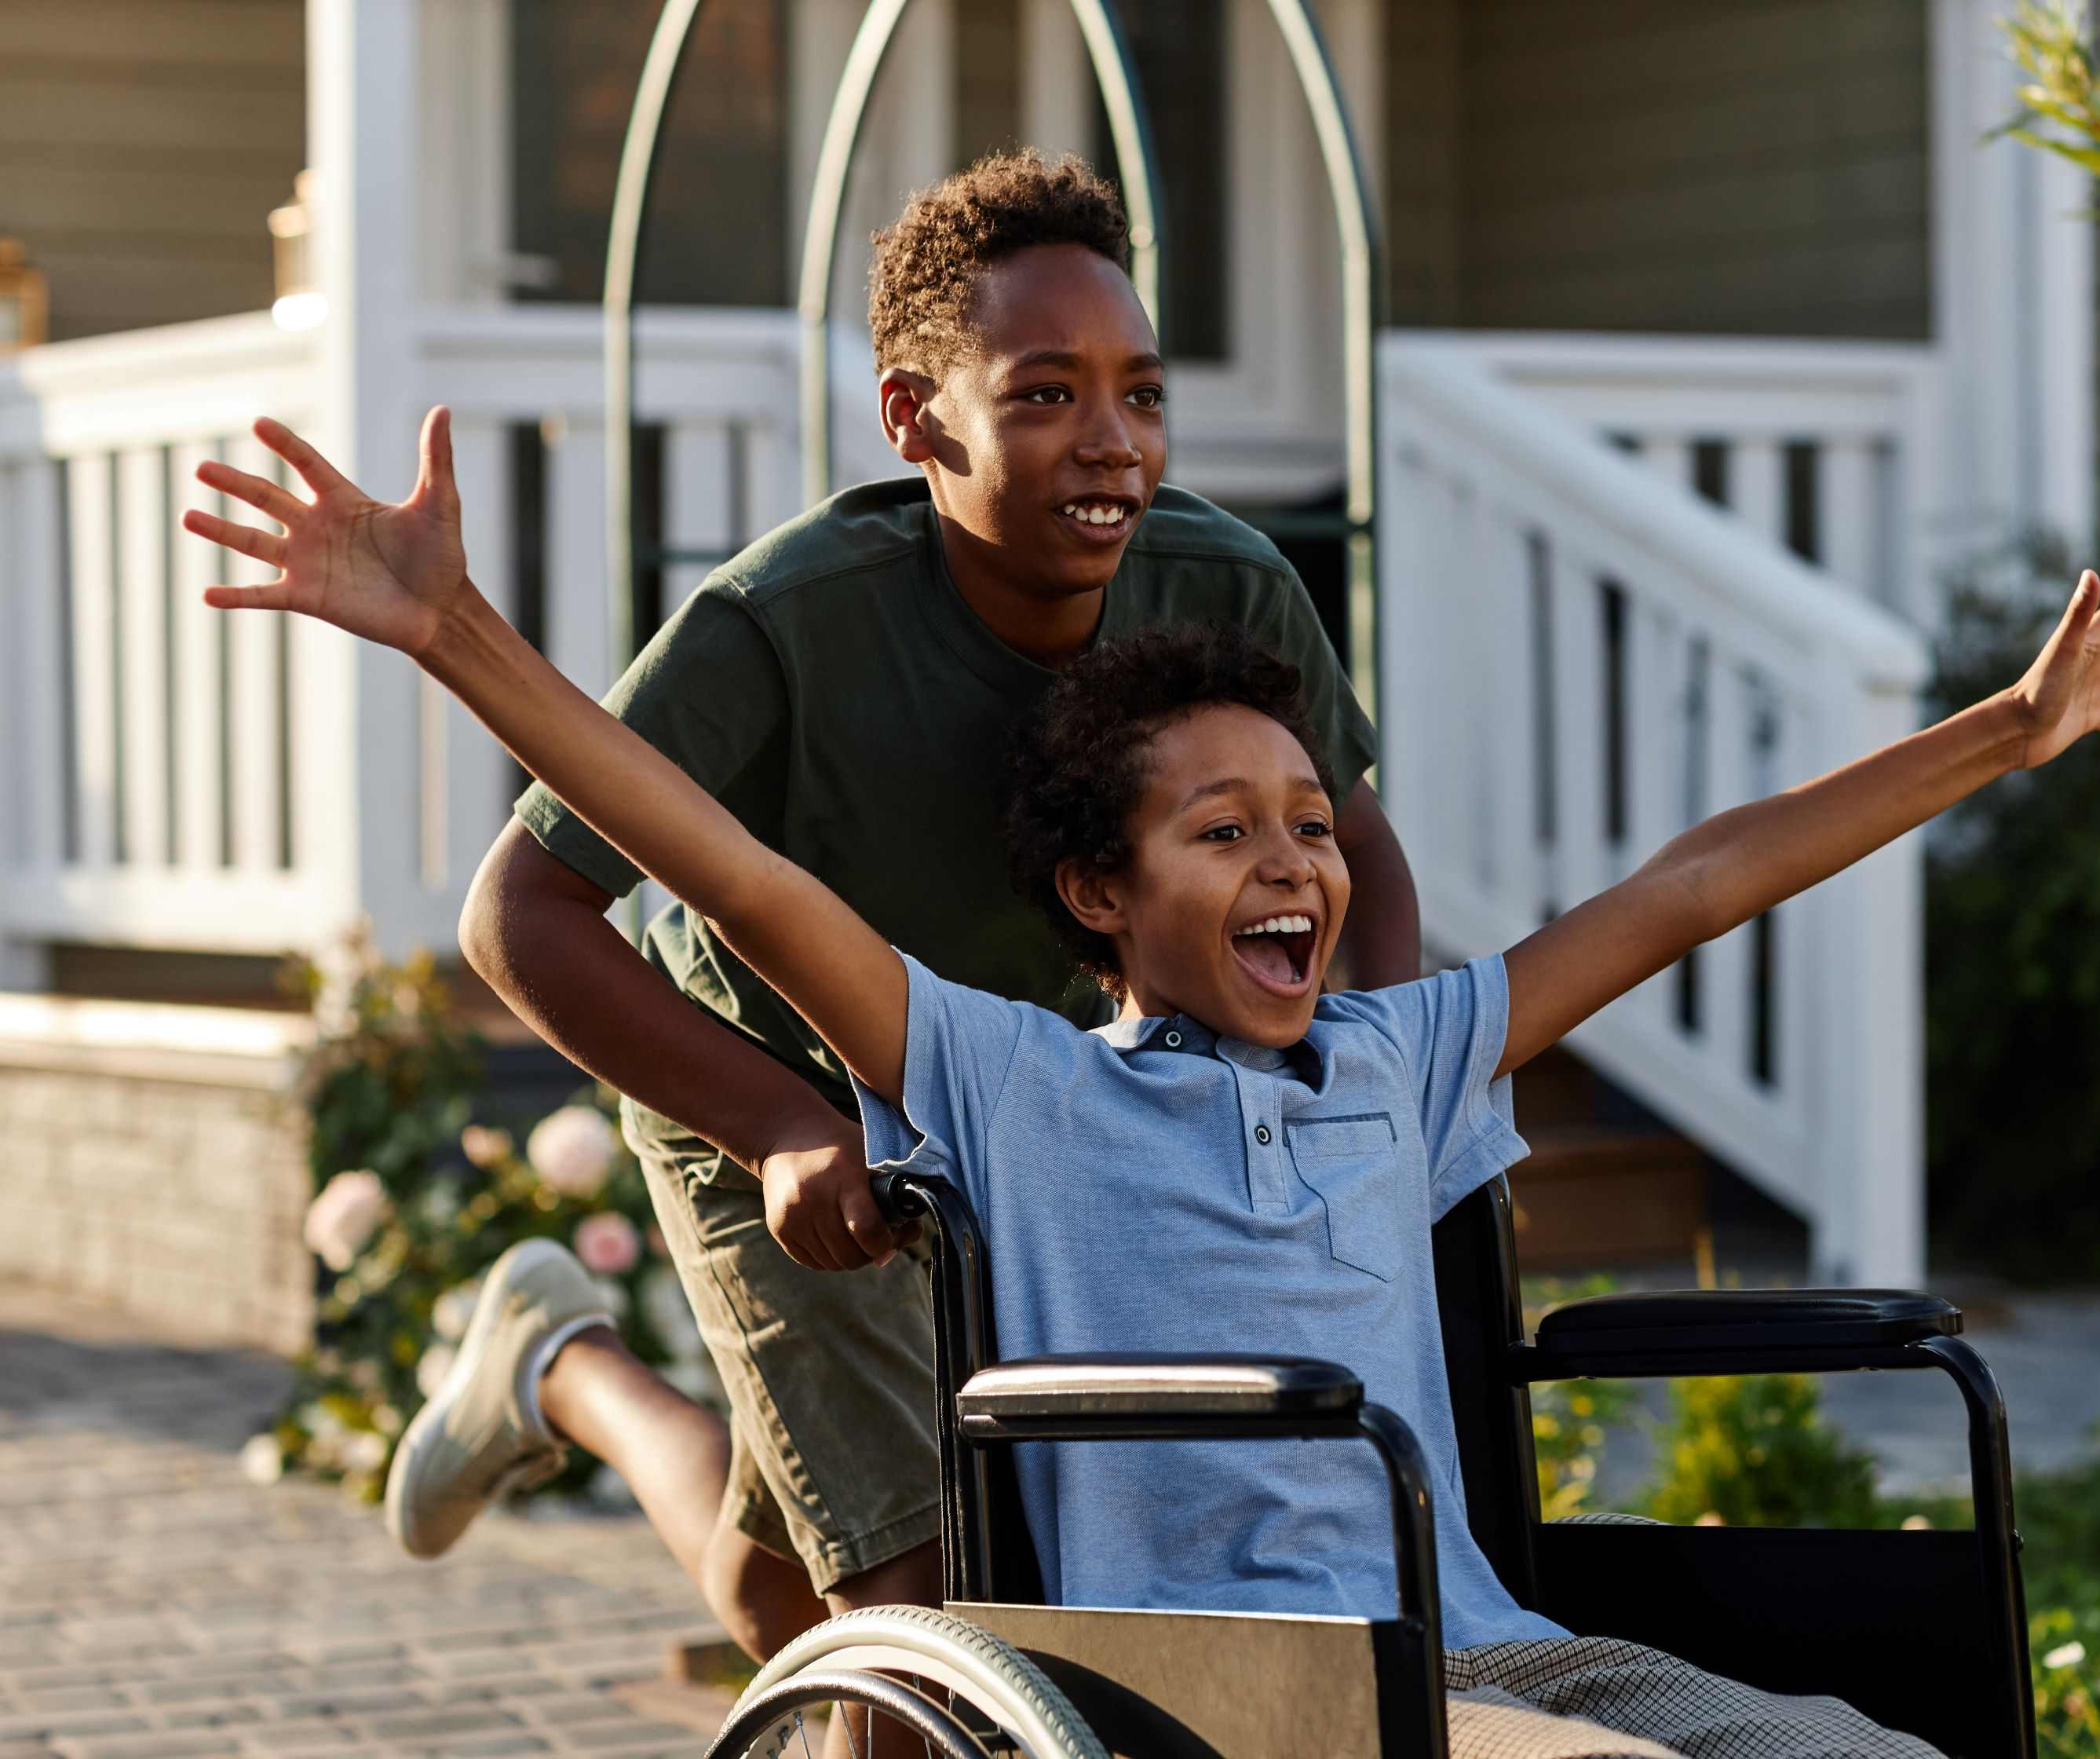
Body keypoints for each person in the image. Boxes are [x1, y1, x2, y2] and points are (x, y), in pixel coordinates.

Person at [182, 392, 2100, 1756]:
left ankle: (557, 1371)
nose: (1296, 862)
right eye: (1222, 831)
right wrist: (457, 634)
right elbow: (731, 869)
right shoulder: (1006, 1082)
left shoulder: (1401, 1062)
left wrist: (1997, 735)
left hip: (1487, 1643)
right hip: (1238, 1691)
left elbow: (1689, 887)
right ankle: (570, 1372)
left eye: (1312, 823)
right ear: (1096, 891)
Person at [322, 150, 1420, 1666]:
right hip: (771, 1095)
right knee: (918, 1590)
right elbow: (524, 913)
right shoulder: (785, 624)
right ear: (917, 419)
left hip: (1020, 1109)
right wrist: (777, 1129)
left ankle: (560, 1364)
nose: (1111, 444)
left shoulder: (1223, 587)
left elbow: (1359, 842)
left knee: (794, 1598)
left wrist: (1352, 1093)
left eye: (1142, 394)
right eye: (1043, 395)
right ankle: (577, 1358)